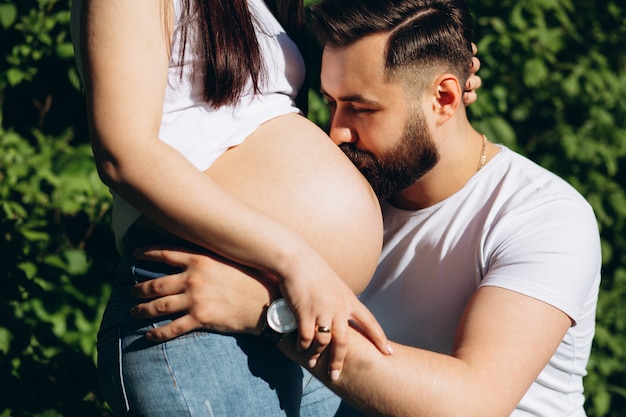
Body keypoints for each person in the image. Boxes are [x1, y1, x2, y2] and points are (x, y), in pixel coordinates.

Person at [130, 0, 602, 416]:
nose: (337, 132)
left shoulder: (544, 216)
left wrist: (273, 315)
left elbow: (473, 403)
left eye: (362, 108)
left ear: (446, 97)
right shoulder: (363, 188)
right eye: (332, 102)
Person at [70, 0, 399, 415]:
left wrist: (444, 72)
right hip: (198, 313)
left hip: (286, 315)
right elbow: (124, 154)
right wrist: (297, 257)